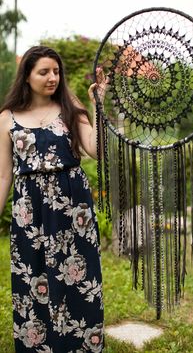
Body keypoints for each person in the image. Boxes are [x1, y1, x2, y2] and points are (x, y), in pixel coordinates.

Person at [0, 45, 106, 353]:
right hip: (29, 211)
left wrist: (97, 104)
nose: (52, 78)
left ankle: (80, 345)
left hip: (73, 205)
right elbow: (4, 175)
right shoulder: (7, 118)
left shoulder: (68, 105)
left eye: (56, 71)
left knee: (78, 275)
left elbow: (94, 150)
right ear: (27, 76)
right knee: (33, 278)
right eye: (44, 72)